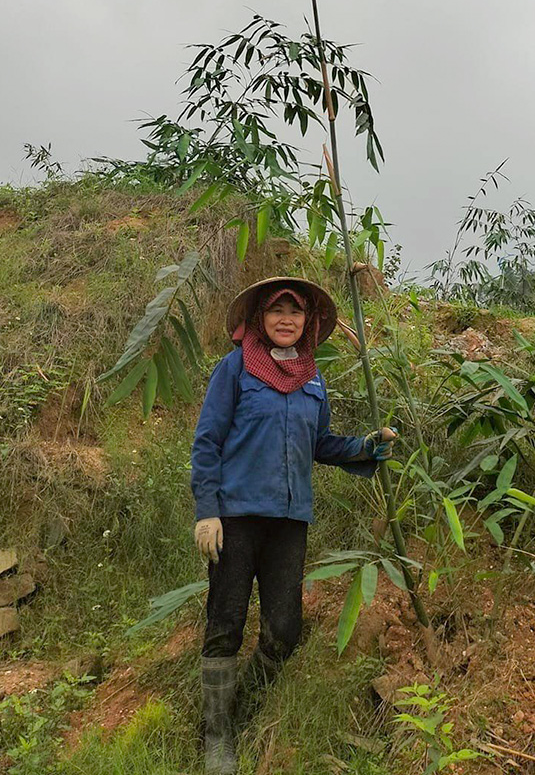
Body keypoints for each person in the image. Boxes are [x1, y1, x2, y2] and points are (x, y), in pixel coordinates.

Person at [190, 276, 397, 774]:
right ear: (260, 318)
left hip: (289, 520)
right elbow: (207, 441)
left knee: (284, 631)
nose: (286, 319)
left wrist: (366, 446)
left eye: (296, 312)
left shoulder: (312, 378)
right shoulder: (235, 368)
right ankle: (218, 739)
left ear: (308, 322)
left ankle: (239, 708)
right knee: (226, 625)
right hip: (236, 518)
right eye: (277, 310)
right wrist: (207, 512)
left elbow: (320, 444)